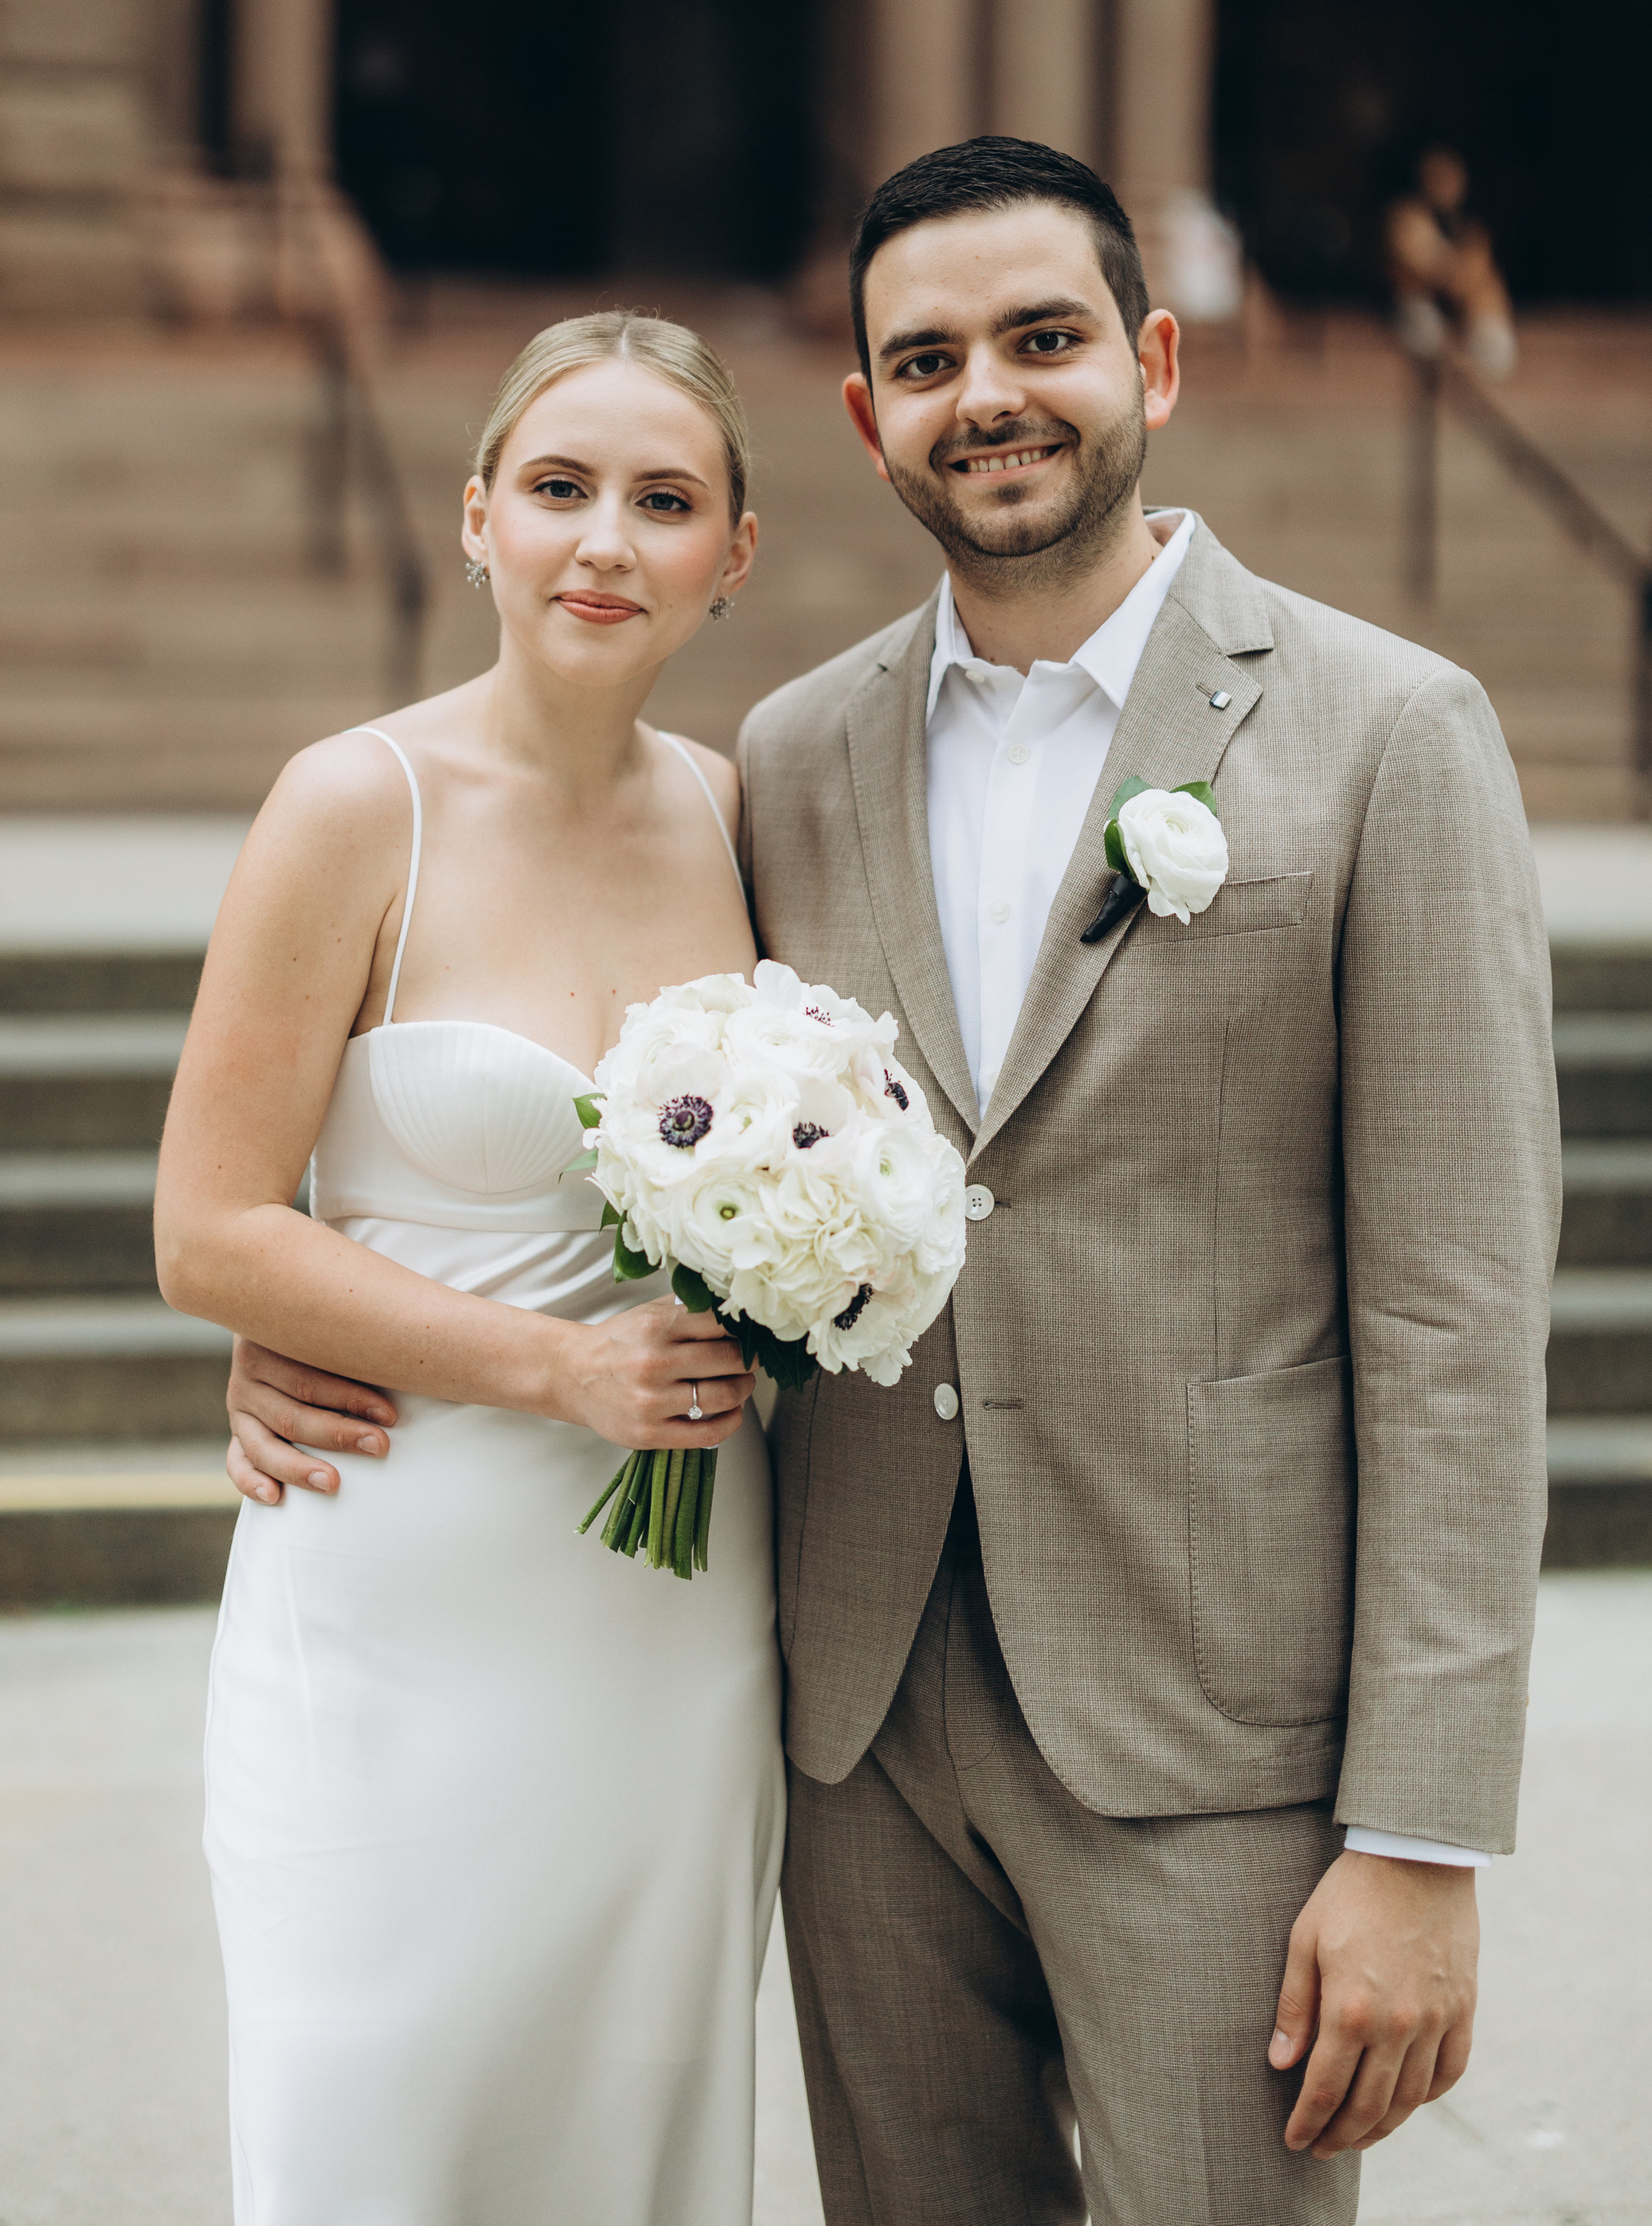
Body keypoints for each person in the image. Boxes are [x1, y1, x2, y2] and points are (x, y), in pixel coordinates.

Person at [230, 138, 1559, 2225]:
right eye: (928, 361)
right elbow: (634, 1136)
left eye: (1041, 340)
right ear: (866, 418)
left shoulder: (1390, 734)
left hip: (1208, 1729)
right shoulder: (786, 759)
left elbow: (1456, 1316)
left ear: (1152, 361)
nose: (987, 397)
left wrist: (1420, 1833)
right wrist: (317, 1323)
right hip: (850, 1712)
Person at [155, 311, 785, 2226]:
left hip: (673, 1618)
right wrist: (545, 1367)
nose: (603, 540)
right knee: (373, 2135)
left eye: (662, 501)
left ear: (732, 552)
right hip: (393, 1600)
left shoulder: (746, 814)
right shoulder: (356, 805)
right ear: (475, 518)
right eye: (558, 486)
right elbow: (208, 1227)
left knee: (631, 2133)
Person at [1384, 141, 1517, 378]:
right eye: (1438, 177)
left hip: (1461, 306)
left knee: (1489, 312)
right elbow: (1418, 263)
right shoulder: (1406, 216)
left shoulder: (1468, 225)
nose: (1447, 186)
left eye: (1453, 178)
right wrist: (1452, 273)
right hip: (1421, 303)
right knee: (1423, 325)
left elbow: (1478, 269)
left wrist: (1464, 280)